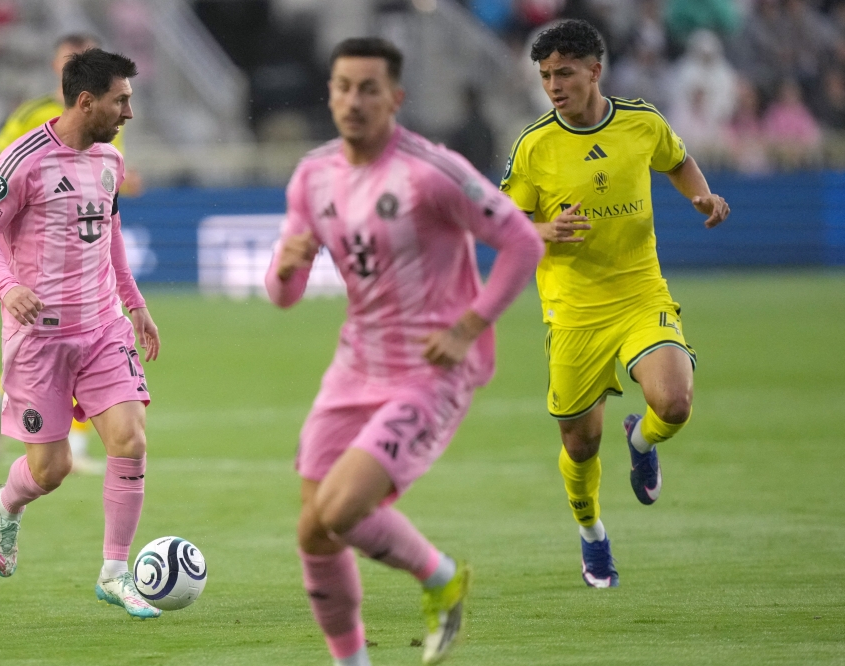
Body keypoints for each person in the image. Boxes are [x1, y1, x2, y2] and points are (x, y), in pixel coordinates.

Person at [267, 37, 543, 665]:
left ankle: (441, 575)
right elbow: (283, 296)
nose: (353, 100)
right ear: (330, 93)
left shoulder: (430, 170)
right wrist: (286, 267)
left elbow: (522, 241)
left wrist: (469, 327)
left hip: (430, 370)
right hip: (353, 367)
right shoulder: (313, 175)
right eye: (342, 87)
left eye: (369, 88)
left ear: (397, 97)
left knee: (341, 510)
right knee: (314, 531)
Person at [499, 20, 729, 588]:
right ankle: (592, 534)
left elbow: (677, 160)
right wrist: (546, 231)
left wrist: (700, 195)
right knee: (581, 444)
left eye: (565, 73)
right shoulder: (534, 145)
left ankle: (642, 439)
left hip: (639, 294)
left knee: (674, 403)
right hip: (574, 311)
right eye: (546, 75)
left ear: (594, 71)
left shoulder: (641, 123)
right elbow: (503, 221)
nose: (554, 85)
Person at [0, 48, 162, 619]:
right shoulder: (23, 160)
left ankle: (115, 572)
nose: (128, 112)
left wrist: (135, 302)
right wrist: (8, 288)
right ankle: (6, 503)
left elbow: (111, 231)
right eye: (120, 100)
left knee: (130, 438)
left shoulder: (110, 161)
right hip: (38, 339)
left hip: (103, 326)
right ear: (86, 101)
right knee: (50, 471)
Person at [0, 33, 142, 195]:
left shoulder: (112, 114)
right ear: (55, 65)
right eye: (72, 62)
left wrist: (125, 181)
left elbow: (109, 171)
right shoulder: (31, 114)